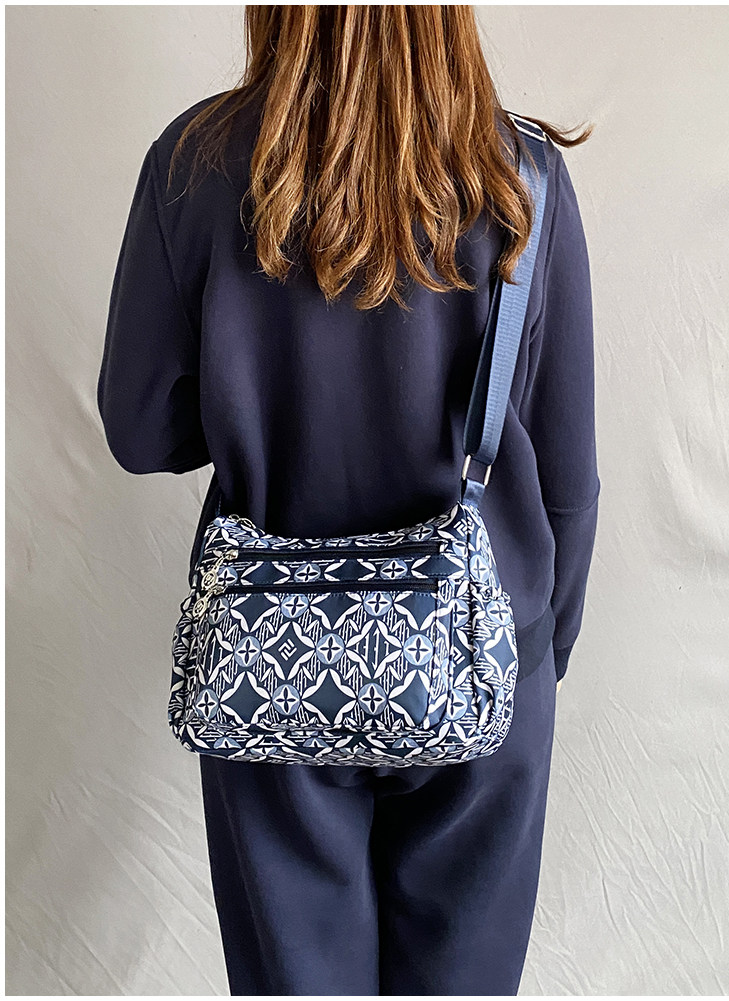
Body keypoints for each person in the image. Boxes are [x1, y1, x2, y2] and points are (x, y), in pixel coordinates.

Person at [97, 6, 600, 995]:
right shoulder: (523, 175)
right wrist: (539, 659)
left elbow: (139, 430)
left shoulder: (194, 165)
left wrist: (252, 400)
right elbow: (569, 478)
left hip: (270, 660)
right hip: (483, 655)